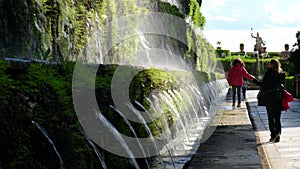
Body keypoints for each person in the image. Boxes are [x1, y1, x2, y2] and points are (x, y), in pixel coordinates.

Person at [253, 59, 286, 143]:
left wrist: (254, 80)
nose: (268, 65)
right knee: (277, 117)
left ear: (271, 65)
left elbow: (263, 84)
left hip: (270, 98)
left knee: (271, 117)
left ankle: (273, 135)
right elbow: (283, 87)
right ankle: (278, 132)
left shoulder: (269, 73)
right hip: (278, 98)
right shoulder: (282, 74)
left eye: (269, 63)